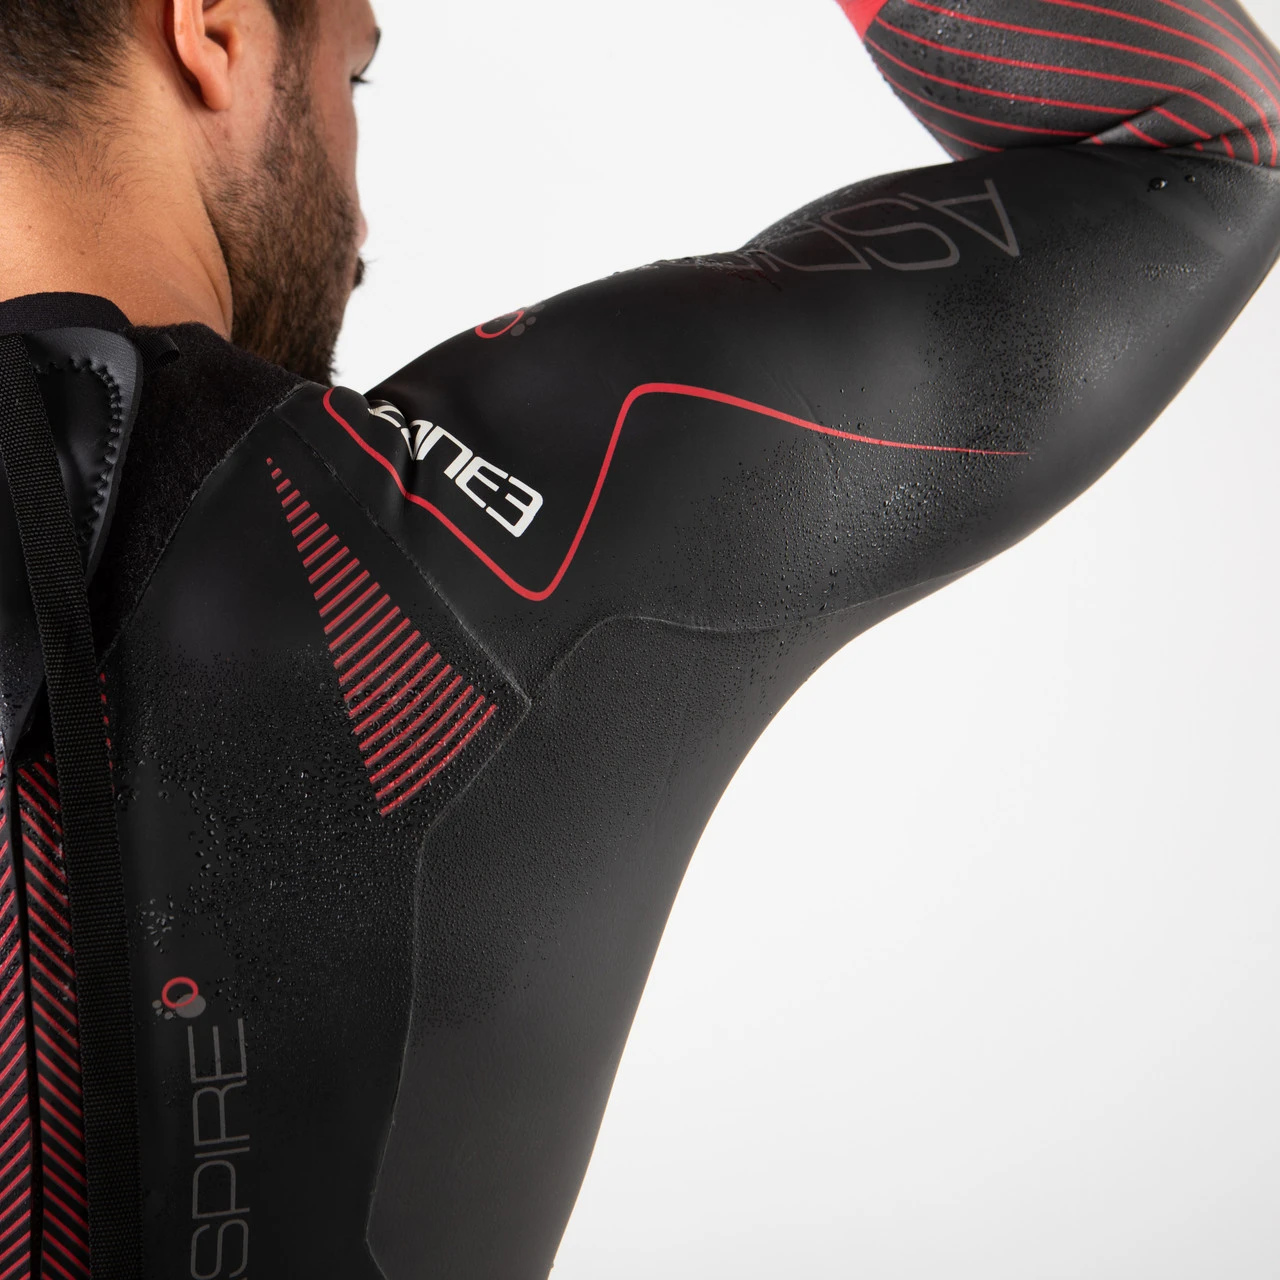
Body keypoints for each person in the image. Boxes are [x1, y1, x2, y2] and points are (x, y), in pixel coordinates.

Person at [0, 0, 1275, 1276]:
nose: (361, 229)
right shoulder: (431, 561)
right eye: (351, 77)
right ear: (215, 30)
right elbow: (1206, 139)